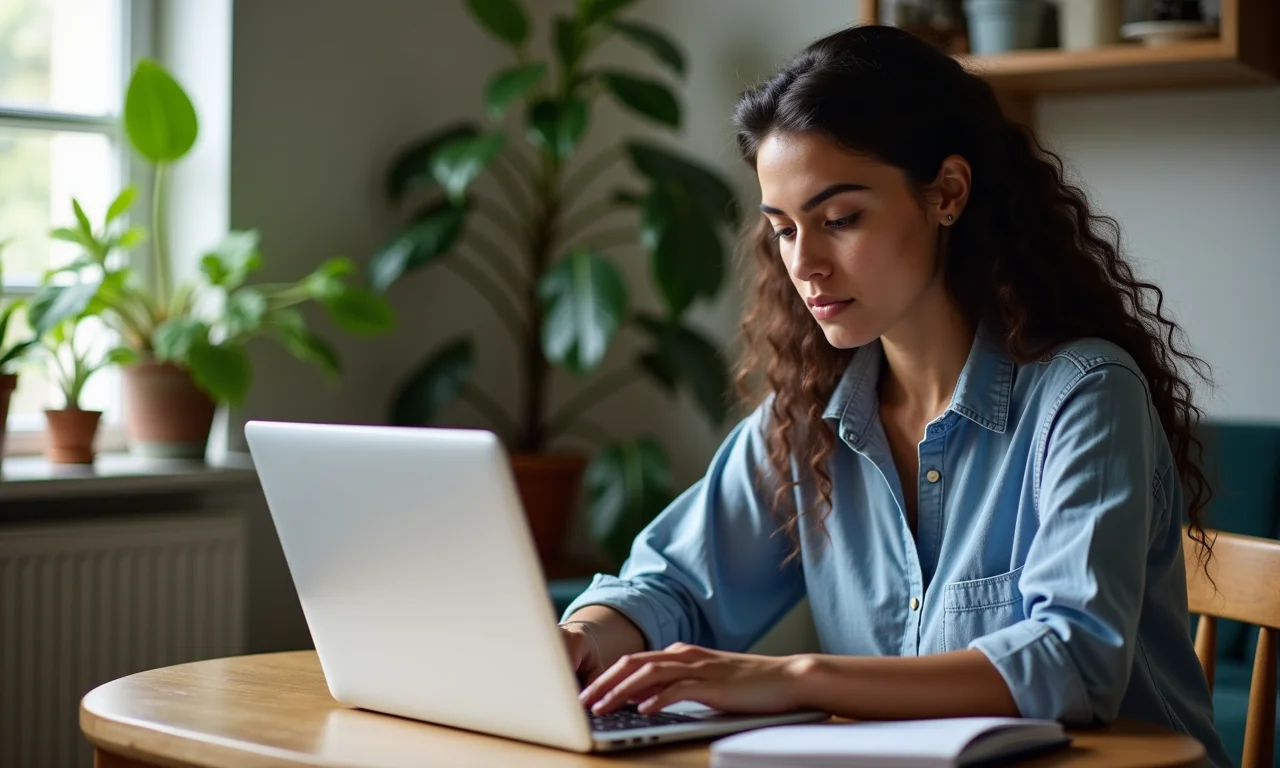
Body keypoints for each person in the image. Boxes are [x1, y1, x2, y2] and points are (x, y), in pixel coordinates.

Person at [558, 23, 1229, 766]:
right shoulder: (807, 416)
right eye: (783, 230)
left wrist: (795, 679)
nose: (804, 264)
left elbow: (1072, 662)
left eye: (839, 220)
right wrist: (582, 637)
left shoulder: (1085, 396)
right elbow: (673, 584)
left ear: (947, 193)